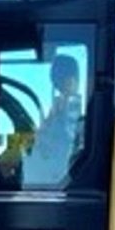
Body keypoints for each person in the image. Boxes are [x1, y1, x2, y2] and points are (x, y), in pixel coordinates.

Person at [21, 52, 83, 187]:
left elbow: (64, 141)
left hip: (53, 179)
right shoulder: (60, 107)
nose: (61, 84)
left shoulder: (71, 109)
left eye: (64, 78)